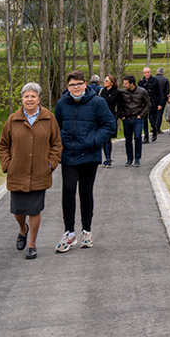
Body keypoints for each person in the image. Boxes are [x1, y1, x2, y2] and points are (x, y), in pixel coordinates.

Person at [0, 82, 62, 260]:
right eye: (26, 96)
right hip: (17, 172)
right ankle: (22, 229)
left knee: (34, 210)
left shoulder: (49, 119)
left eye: (33, 96)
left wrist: (50, 164)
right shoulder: (13, 119)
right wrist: (7, 165)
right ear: (22, 99)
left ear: (39, 99)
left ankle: (32, 244)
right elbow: (3, 144)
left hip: (40, 173)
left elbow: (57, 144)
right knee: (18, 210)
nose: (29, 99)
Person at [54, 70, 116, 253]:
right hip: (69, 155)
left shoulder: (97, 102)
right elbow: (55, 127)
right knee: (68, 190)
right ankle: (69, 232)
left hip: (89, 155)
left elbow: (110, 125)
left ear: (85, 84)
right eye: (72, 84)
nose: (76, 87)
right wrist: (60, 142)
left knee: (85, 192)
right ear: (67, 86)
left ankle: (86, 231)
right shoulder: (61, 104)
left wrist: (94, 140)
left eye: (79, 84)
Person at [120, 75, 150, 167]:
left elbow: (147, 104)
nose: (124, 85)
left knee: (137, 137)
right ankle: (129, 158)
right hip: (127, 118)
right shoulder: (122, 92)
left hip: (137, 118)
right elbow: (119, 104)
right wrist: (122, 116)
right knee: (128, 139)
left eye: (126, 83)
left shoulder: (142, 91)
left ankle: (137, 158)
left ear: (131, 84)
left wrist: (141, 115)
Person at [98, 74, 124, 167]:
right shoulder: (101, 91)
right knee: (103, 139)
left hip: (111, 116)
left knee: (107, 138)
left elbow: (121, 105)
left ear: (112, 83)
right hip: (101, 117)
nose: (104, 82)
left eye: (106, 80)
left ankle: (108, 159)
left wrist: (117, 115)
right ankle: (106, 158)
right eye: (104, 80)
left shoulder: (117, 93)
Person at [138, 67, 163, 143]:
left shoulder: (155, 81)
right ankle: (146, 137)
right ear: (143, 73)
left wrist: (160, 103)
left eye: (148, 72)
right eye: (145, 73)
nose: (147, 74)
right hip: (143, 104)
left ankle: (154, 131)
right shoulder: (141, 82)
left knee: (152, 120)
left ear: (150, 72)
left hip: (153, 102)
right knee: (144, 121)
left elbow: (159, 93)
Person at [154, 67, 170, 134]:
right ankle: (157, 128)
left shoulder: (153, 79)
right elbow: (167, 91)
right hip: (162, 99)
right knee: (159, 113)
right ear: (163, 73)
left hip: (153, 99)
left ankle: (153, 127)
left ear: (157, 72)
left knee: (153, 113)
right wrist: (167, 99)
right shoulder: (165, 79)